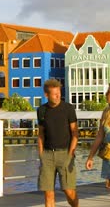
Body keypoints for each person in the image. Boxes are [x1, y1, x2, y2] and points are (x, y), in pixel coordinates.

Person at [37, 79, 79, 207]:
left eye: (59, 93)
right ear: (46, 95)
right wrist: (41, 154)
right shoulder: (41, 110)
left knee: (69, 191)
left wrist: (70, 154)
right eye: (54, 94)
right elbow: (41, 134)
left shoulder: (68, 108)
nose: (58, 96)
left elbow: (75, 133)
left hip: (65, 153)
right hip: (48, 156)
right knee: (49, 194)